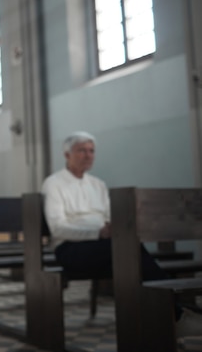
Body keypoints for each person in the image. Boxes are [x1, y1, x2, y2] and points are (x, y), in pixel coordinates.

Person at [42, 130, 202, 338]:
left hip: (105, 247)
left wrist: (114, 228)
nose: (88, 155)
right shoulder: (53, 183)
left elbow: (111, 217)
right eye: (81, 150)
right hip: (70, 249)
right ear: (66, 155)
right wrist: (98, 232)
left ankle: (158, 321)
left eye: (91, 150)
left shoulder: (97, 184)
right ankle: (176, 313)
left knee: (131, 257)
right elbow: (57, 228)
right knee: (130, 252)